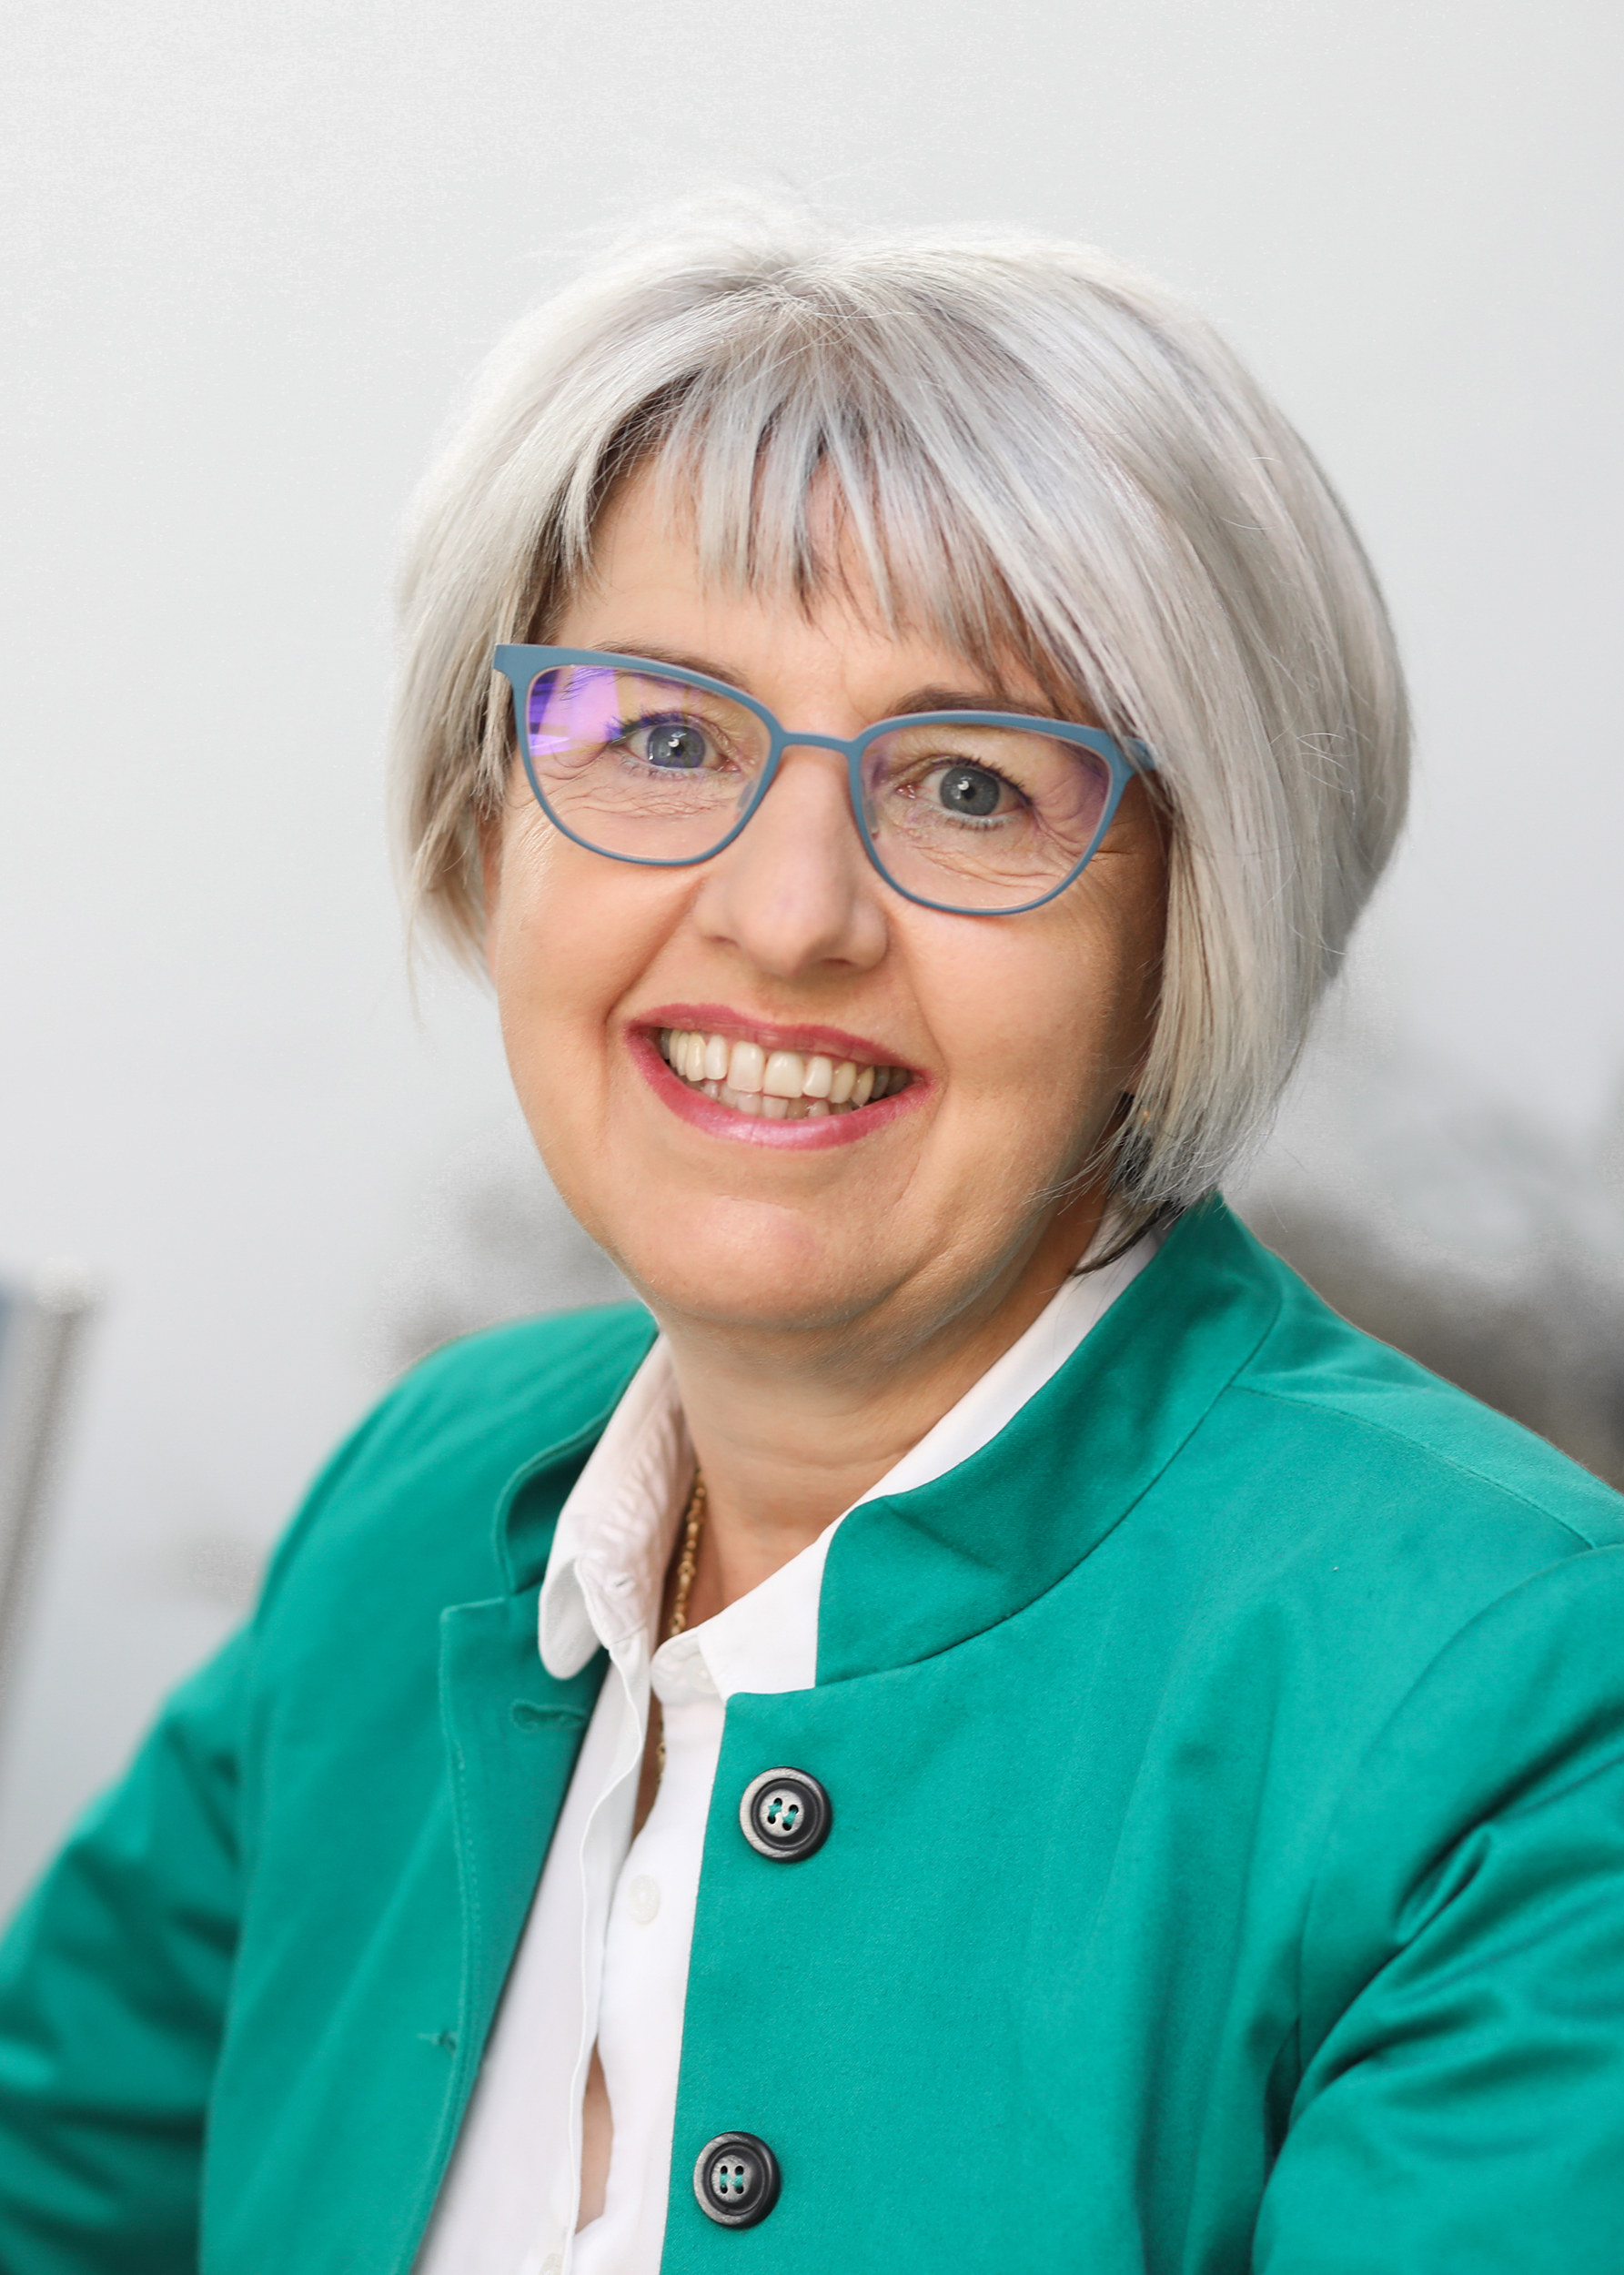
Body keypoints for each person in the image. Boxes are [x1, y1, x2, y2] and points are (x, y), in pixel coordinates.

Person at [2, 212, 1621, 2275]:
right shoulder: (423, 1506)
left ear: (1195, 917)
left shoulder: (1526, 1703)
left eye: (970, 785)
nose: (786, 919)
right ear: (489, 814)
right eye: (666, 736)